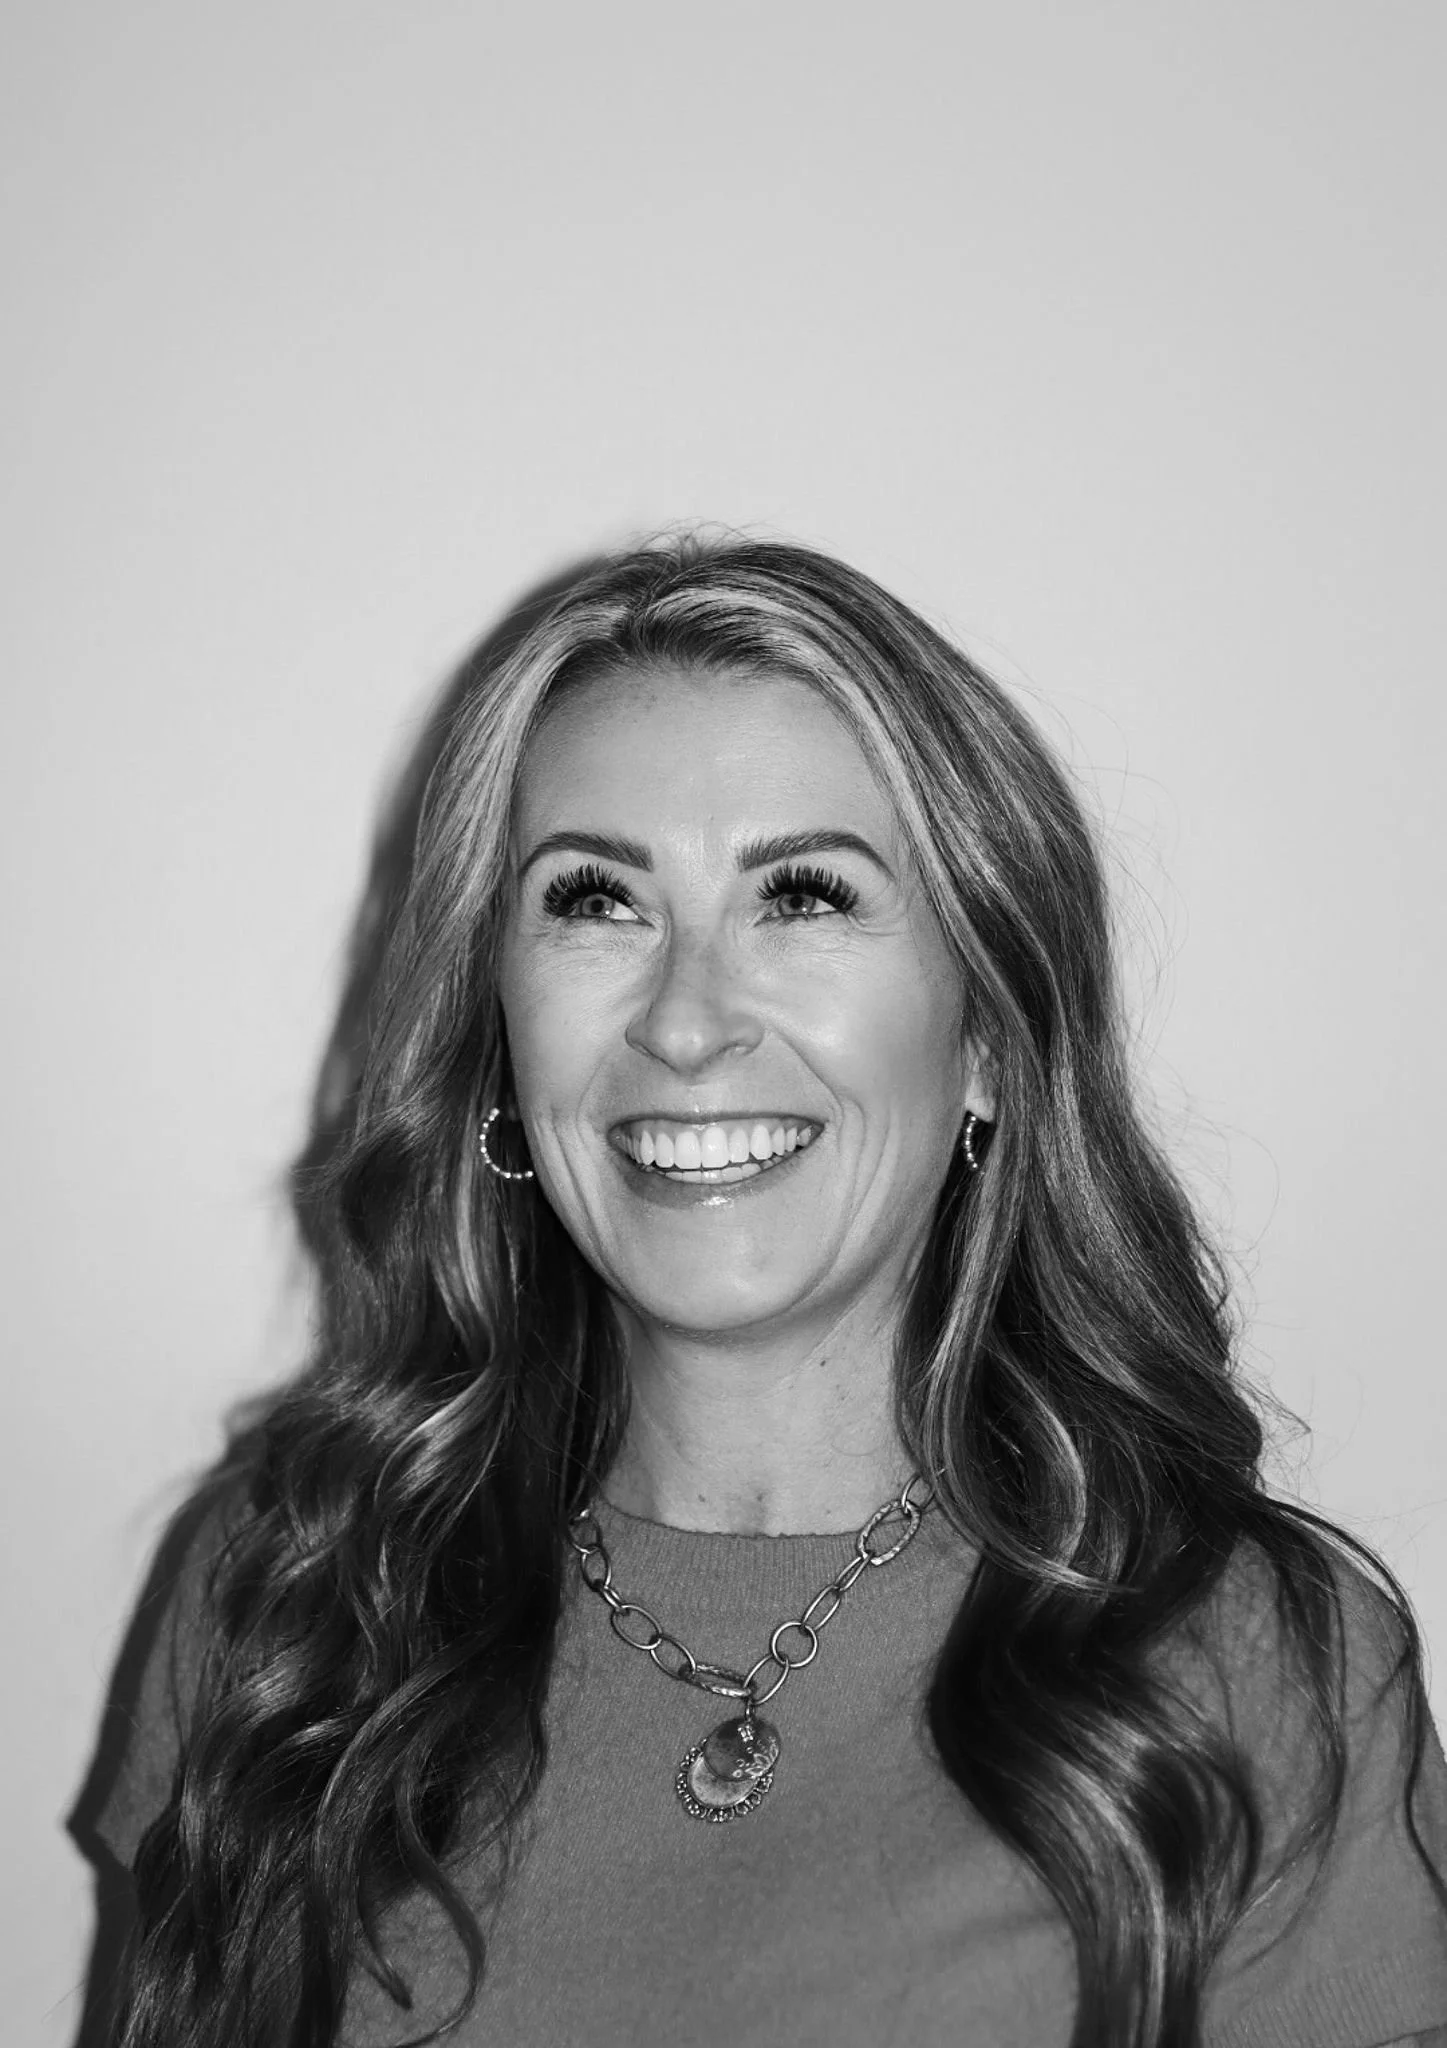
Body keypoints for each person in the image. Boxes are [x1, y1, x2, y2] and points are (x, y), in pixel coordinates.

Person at [84, 535, 1447, 2048]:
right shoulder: (289, 1598)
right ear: (497, 1030)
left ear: (987, 1034)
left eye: (800, 896)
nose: (684, 1021)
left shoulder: (1252, 1662)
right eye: (594, 901)